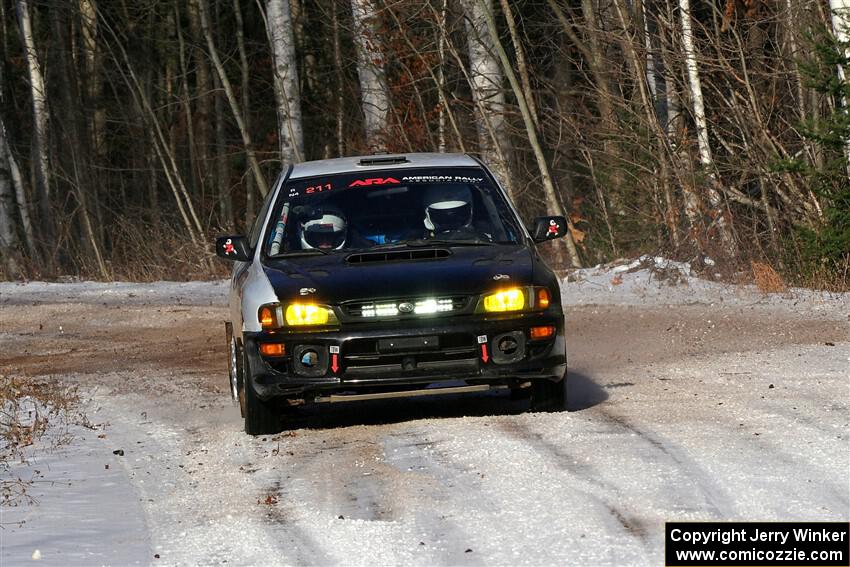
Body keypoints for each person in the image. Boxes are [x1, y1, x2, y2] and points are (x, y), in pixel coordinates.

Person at [422, 185, 491, 241]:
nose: (451, 223)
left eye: (459, 216)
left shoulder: (488, 240)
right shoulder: (417, 243)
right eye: (442, 217)